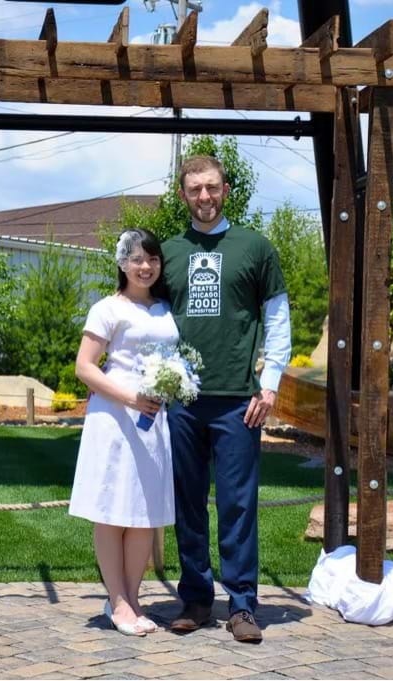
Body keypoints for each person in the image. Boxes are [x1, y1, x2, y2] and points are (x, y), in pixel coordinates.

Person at [161, 155, 291, 643]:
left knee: (238, 504)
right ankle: (195, 597)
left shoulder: (255, 247)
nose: (204, 197)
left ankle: (241, 605)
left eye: (211, 187)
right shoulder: (169, 252)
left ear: (226, 189)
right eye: (194, 189)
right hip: (183, 402)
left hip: (240, 400)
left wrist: (270, 383)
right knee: (187, 504)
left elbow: (277, 318)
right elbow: (154, 323)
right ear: (182, 195)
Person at [68, 228, 178, 637]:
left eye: (152, 259)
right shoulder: (106, 309)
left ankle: (134, 597)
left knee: (144, 514)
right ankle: (117, 600)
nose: (145, 267)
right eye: (136, 259)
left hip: (155, 422)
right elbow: (85, 367)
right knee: (113, 511)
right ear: (121, 263)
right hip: (115, 420)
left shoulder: (165, 308)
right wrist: (131, 397)